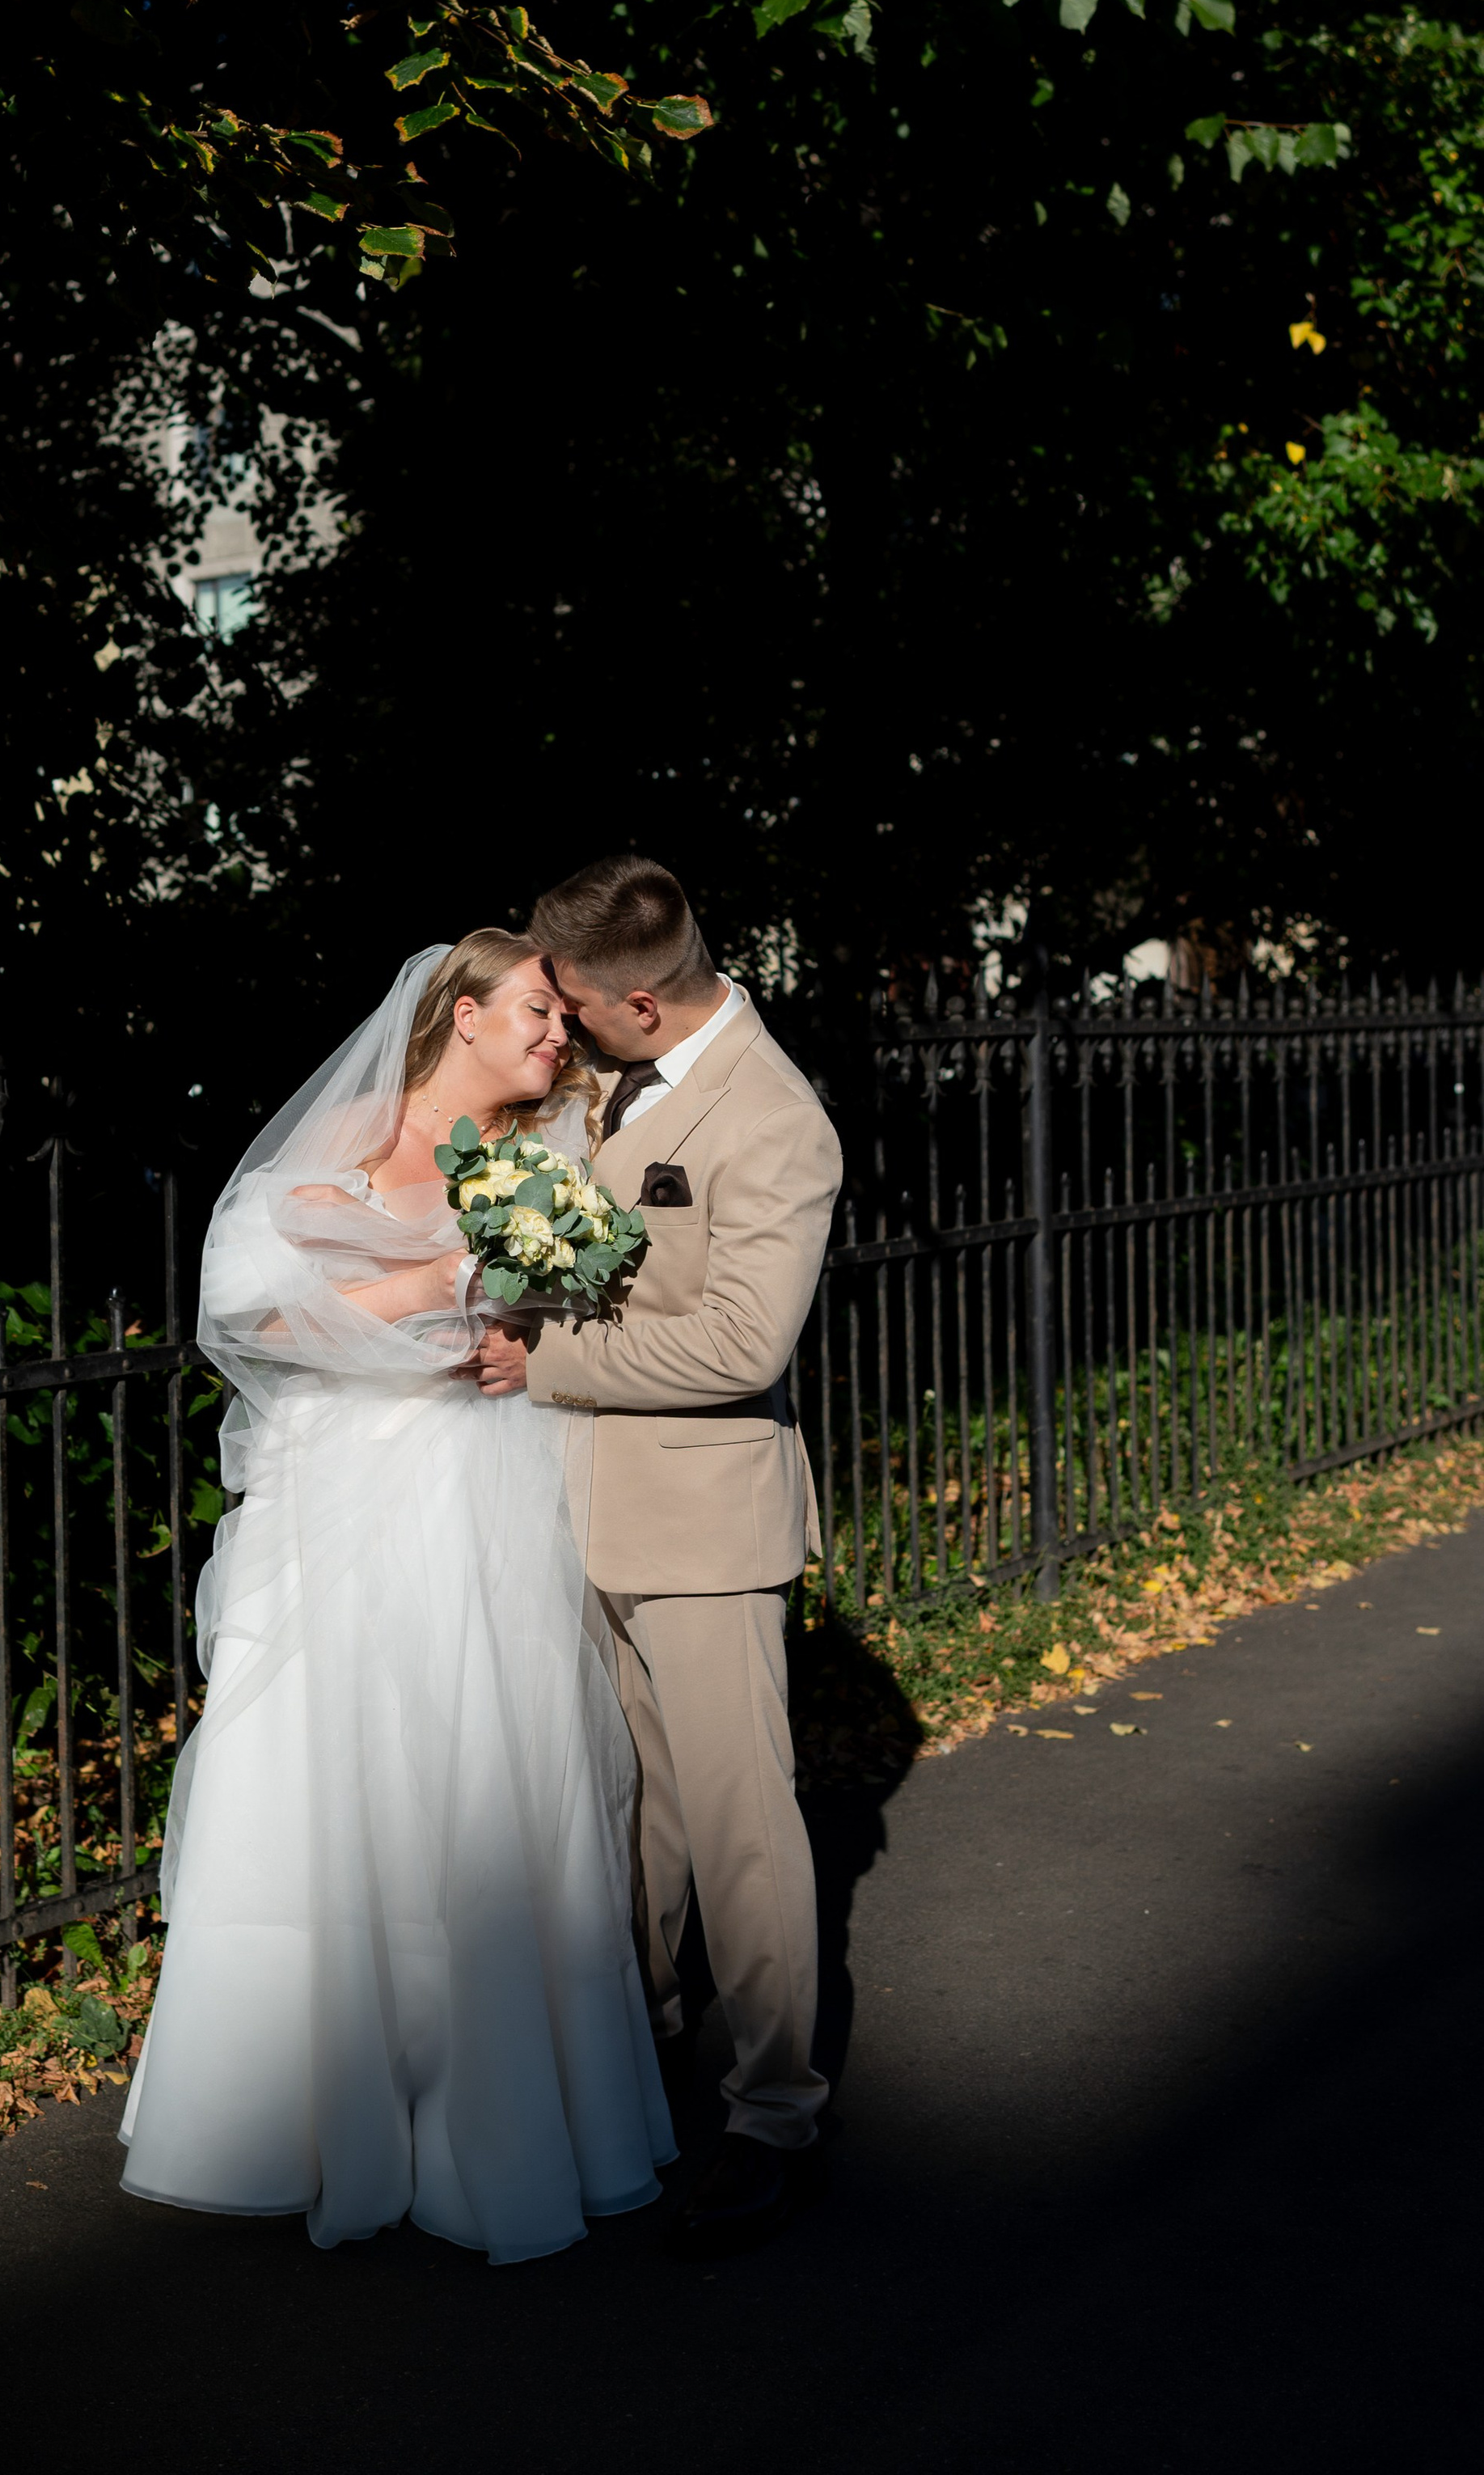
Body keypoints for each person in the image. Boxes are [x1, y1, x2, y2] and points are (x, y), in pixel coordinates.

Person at [119, 933, 674, 2264]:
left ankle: (484, 2116)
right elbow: (247, 1319)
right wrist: (423, 1288)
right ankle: (291, 2116)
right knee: (319, 1778)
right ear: (463, 1015)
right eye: (541, 1012)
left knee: (481, 1774)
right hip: (335, 1497)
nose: (562, 1035)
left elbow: (575, 1321)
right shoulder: (343, 1141)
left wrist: (519, 1340)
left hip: (479, 1489)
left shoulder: (551, 1162)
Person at [475, 855, 843, 2256]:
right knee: (638, 1822)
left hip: (704, 1527)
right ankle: (641, 2062)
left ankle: (776, 2115)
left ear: (639, 997)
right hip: (582, 1512)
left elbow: (747, 1346)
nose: (554, 1025)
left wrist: (550, 1359)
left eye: (571, 1001)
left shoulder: (777, 1119)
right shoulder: (606, 1083)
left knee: (745, 1832)